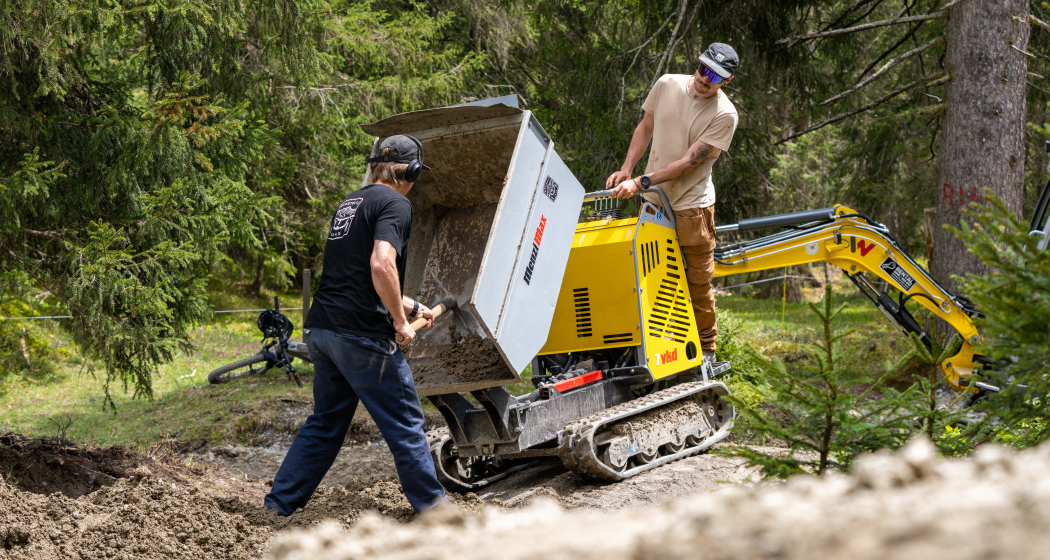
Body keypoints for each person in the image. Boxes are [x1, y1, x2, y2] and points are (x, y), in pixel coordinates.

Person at [264, 134, 449, 516]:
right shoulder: (397, 203)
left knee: (326, 422)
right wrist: (401, 322)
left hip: (323, 330)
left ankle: (277, 505)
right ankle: (436, 513)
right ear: (411, 171)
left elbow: (355, 275)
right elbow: (381, 265)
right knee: (406, 423)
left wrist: (413, 305)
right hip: (360, 337)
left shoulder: (351, 201)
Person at [606, 43, 740, 363]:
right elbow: (646, 127)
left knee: (697, 283)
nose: (705, 78)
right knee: (650, 278)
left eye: (716, 76)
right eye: (703, 69)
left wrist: (639, 182)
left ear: (727, 81)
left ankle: (706, 351)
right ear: (698, 63)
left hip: (692, 207)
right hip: (654, 203)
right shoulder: (667, 83)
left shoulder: (724, 115)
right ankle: (655, 349)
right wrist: (627, 168)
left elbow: (685, 165)